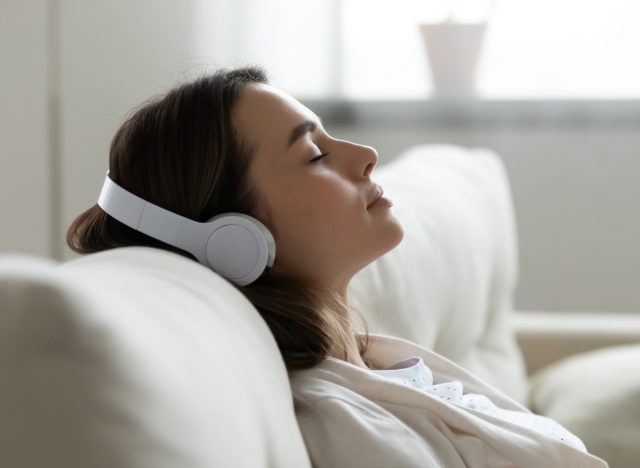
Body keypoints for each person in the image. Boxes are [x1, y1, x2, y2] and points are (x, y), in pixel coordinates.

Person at [67, 66, 608, 467]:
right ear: (234, 240)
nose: (364, 153)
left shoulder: (378, 365)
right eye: (315, 155)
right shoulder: (347, 430)